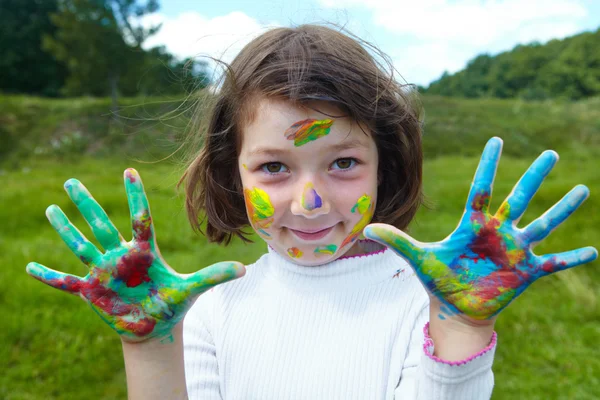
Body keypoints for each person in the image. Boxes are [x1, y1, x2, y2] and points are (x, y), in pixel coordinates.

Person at [26, 25, 597, 400]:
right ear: (233, 172)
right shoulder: (212, 314)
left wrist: (463, 326)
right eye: (274, 168)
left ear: (384, 165)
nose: (310, 201)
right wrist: (149, 345)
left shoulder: (420, 304)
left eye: (343, 162)